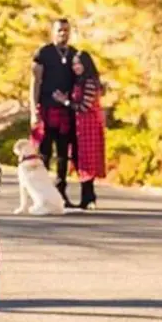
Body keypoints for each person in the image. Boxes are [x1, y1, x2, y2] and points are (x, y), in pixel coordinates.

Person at [31, 18, 78, 206]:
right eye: (59, 30)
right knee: (44, 152)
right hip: (47, 108)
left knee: (63, 153)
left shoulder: (75, 54)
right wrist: (34, 109)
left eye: (66, 30)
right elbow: (35, 82)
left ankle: (61, 192)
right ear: (53, 32)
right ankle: (42, 193)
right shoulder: (44, 53)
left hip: (66, 111)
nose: (63, 33)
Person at [53, 50, 106, 209]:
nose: (76, 67)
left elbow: (84, 106)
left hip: (89, 125)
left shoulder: (90, 82)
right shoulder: (79, 82)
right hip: (80, 127)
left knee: (87, 160)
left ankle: (88, 197)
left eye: (79, 63)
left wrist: (65, 102)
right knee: (79, 159)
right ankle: (87, 196)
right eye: (74, 64)